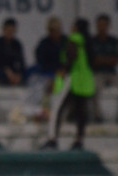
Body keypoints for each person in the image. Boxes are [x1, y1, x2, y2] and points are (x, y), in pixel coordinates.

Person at [42, 18, 96, 151]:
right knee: (80, 111)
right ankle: (79, 140)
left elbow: (72, 57)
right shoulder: (88, 42)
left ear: (76, 28)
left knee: (57, 107)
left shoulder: (74, 39)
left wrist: (63, 70)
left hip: (73, 78)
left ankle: (52, 139)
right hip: (86, 80)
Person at [92, 14, 118, 122]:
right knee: (94, 88)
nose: (101, 27)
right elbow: (93, 60)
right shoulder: (92, 41)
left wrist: (102, 60)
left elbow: (115, 60)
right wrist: (107, 60)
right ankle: (98, 116)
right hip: (98, 73)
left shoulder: (113, 41)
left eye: (104, 25)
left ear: (108, 26)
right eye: (99, 25)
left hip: (111, 73)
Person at [0, 18, 26, 86]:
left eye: (12, 31)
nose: (10, 33)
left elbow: (21, 61)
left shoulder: (16, 44)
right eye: (9, 30)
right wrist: (6, 70)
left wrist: (18, 74)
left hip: (13, 71)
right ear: (4, 30)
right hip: (1, 70)